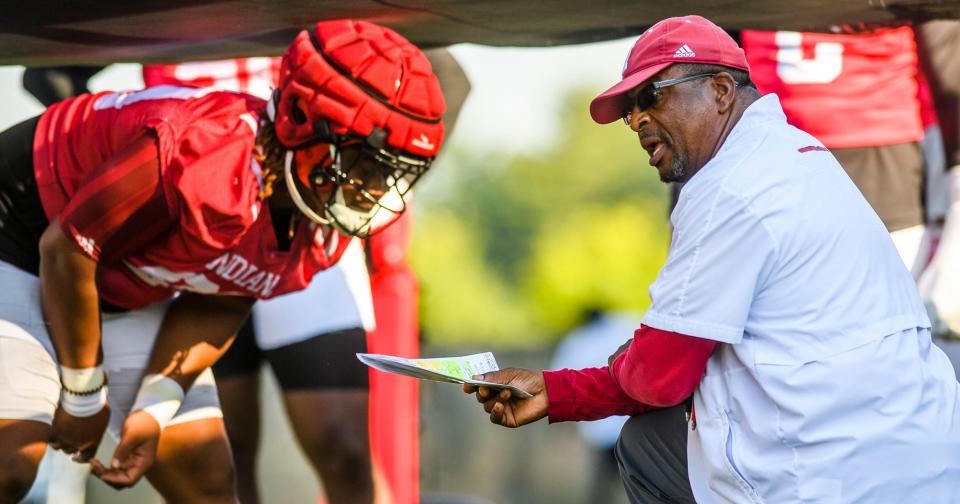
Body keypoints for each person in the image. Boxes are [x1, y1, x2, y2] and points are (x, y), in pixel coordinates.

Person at [464, 15, 960, 503]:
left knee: (646, 443)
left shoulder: (729, 187)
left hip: (835, 474)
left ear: (722, 90)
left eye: (651, 96)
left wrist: (575, 384)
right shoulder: (795, 151)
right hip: (925, 459)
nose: (637, 119)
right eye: (629, 111)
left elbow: (658, 378)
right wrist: (581, 382)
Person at [0, 18, 446, 503]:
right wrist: (83, 395)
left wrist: (154, 404)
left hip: (113, 271)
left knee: (205, 478)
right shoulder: (204, 156)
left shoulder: (316, 217)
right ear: (300, 119)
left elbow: (224, 294)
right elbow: (66, 248)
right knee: (11, 462)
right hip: (24, 231)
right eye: (366, 163)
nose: (377, 190)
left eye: (392, 170)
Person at [549, 309, 639, 504]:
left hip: (601, 426)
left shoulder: (575, 341)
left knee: (607, 487)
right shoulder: (626, 324)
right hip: (633, 423)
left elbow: (555, 379)